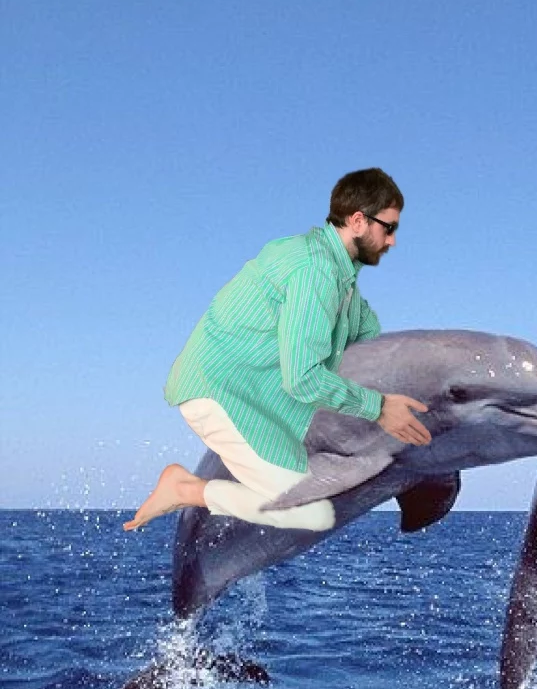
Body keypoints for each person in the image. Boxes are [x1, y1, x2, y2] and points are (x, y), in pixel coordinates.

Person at [124, 168, 430, 533]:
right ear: (358, 221)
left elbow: (371, 341)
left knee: (314, 493)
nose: (393, 241)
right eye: (389, 228)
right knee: (313, 513)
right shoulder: (314, 271)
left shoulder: (340, 277)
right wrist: (378, 408)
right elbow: (302, 379)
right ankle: (184, 489)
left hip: (262, 400)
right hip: (218, 392)